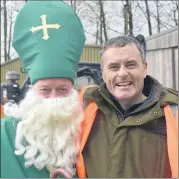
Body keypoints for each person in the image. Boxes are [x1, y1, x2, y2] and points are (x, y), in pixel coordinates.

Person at [1, 0, 85, 178]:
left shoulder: (89, 128)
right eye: (45, 90)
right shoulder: (5, 133)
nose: (53, 99)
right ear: (31, 89)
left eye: (62, 90)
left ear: (73, 89)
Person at [76, 35, 178, 178]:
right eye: (114, 67)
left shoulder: (173, 113)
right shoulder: (83, 106)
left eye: (130, 65)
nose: (122, 73)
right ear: (103, 72)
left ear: (144, 68)